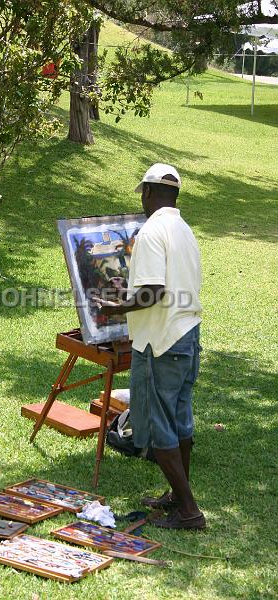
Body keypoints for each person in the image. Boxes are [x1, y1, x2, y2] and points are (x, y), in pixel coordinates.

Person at [96, 163, 205, 530]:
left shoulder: (151, 231)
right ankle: (177, 496)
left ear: (146, 192)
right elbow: (168, 288)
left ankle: (188, 512)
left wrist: (116, 305)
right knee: (180, 421)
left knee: (160, 428)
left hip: (161, 342)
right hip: (186, 334)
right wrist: (129, 294)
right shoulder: (183, 229)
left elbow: (153, 293)